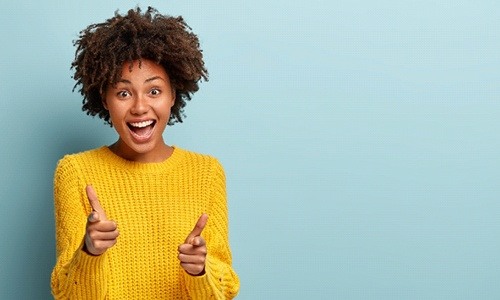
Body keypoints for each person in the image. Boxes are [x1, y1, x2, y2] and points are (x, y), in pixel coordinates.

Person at [51, 6, 240, 299]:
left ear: (173, 96)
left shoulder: (207, 172)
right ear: (105, 99)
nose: (140, 107)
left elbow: (225, 288)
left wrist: (200, 271)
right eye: (123, 93)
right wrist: (89, 252)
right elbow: (66, 293)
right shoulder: (75, 172)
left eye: (154, 91)